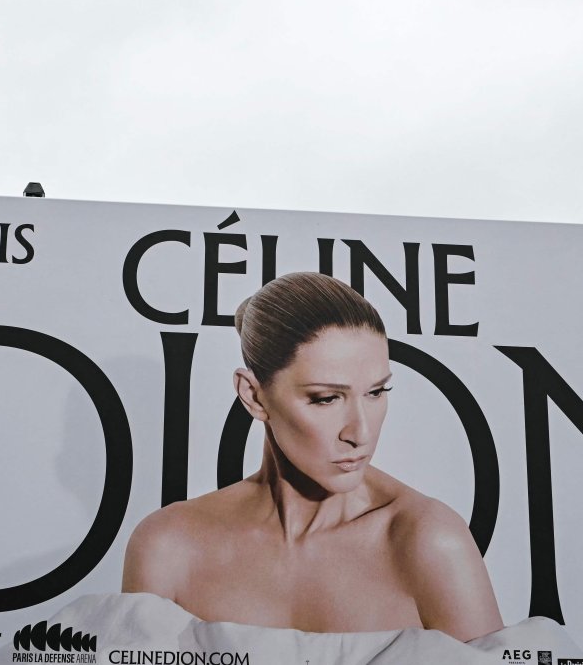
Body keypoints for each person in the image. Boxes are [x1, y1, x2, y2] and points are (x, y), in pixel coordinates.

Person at [122, 272, 503, 642]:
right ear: (253, 395)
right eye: (326, 398)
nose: (360, 433)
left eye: (376, 392)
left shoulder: (428, 540)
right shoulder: (169, 547)